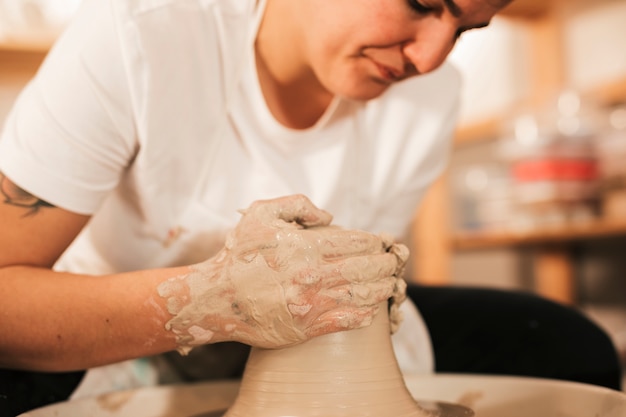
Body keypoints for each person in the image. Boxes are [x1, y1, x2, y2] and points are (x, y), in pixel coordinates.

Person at [1, 0, 621, 415]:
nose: (429, 57)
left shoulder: (432, 93)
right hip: (117, 332)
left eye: (464, 30)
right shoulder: (141, 37)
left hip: (305, 339)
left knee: (567, 346)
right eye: (424, 3)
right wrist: (210, 301)